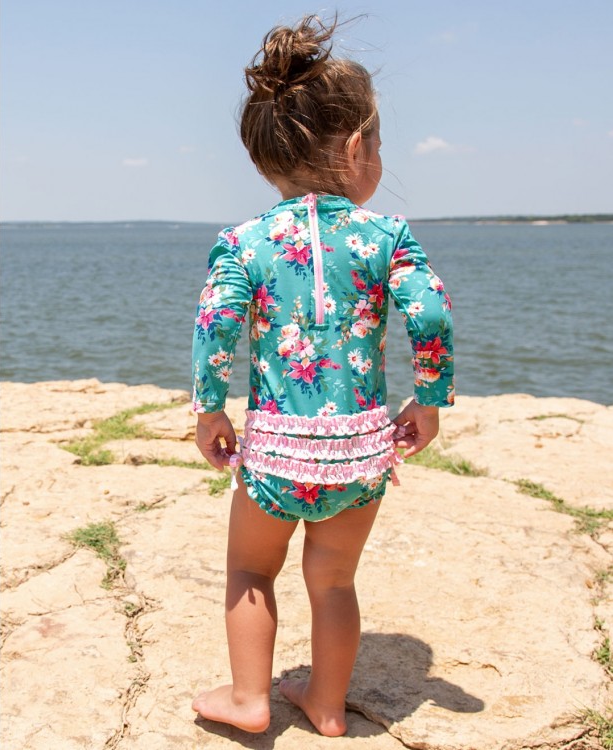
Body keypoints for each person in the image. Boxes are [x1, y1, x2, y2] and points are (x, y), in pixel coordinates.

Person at [191, 14, 454, 737]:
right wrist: (428, 401)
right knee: (334, 580)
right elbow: (430, 313)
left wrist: (210, 409)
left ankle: (250, 698)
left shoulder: (245, 242)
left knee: (251, 572)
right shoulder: (386, 236)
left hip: (276, 452)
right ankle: (328, 704)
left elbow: (215, 324)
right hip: (360, 449)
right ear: (357, 147)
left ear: (264, 160)